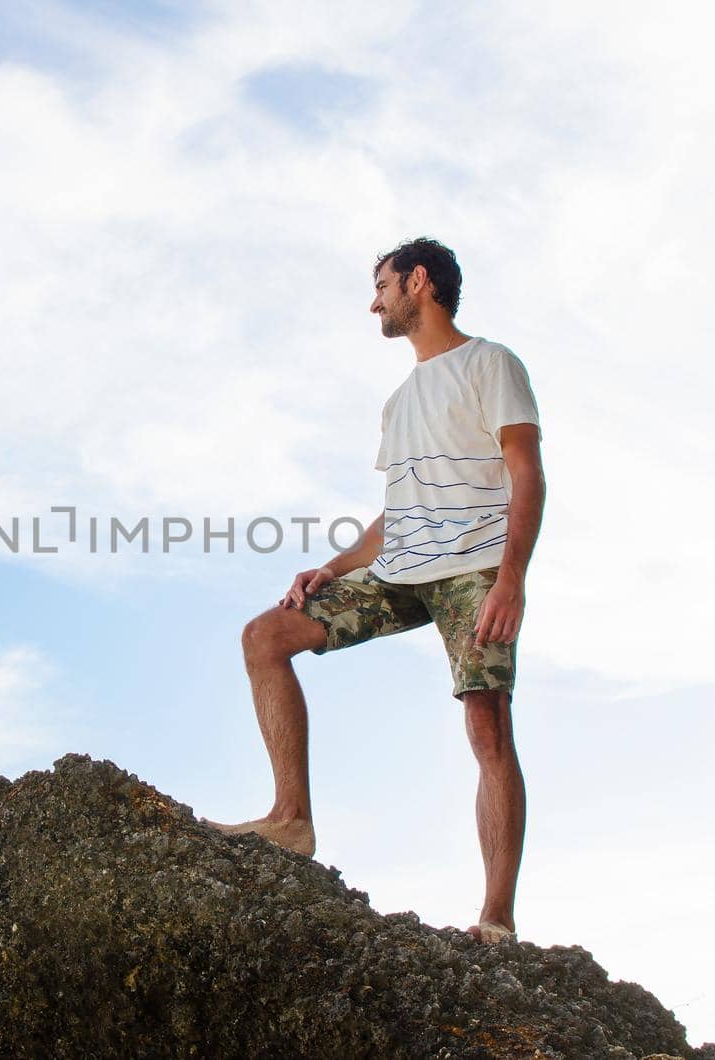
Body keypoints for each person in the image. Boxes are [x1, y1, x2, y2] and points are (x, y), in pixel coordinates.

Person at [203, 237, 546, 944]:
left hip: (473, 570)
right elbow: (398, 514)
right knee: (266, 637)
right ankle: (291, 819)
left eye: (382, 286)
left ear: (418, 283)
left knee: (488, 730)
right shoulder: (398, 402)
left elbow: (526, 472)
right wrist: (333, 568)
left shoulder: (491, 364)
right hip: (398, 574)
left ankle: (497, 917)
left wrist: (511, 578)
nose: (375, 301)